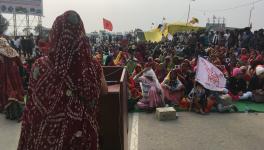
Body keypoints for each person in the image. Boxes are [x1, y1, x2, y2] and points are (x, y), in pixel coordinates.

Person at [18, 11, 108, 150]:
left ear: (55, 34)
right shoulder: (92, 66)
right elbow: (104, 91)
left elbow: (31, 105)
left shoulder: (39, 65)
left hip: (43, 141)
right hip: (81, 140)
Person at [0, 37, 24, 120]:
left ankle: (12, 114)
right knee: (16, 90)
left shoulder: (1, 51)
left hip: (6, 74)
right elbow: (20, 63)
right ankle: (20, 112)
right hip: (15, 73)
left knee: (8, 92)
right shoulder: (12, 50)